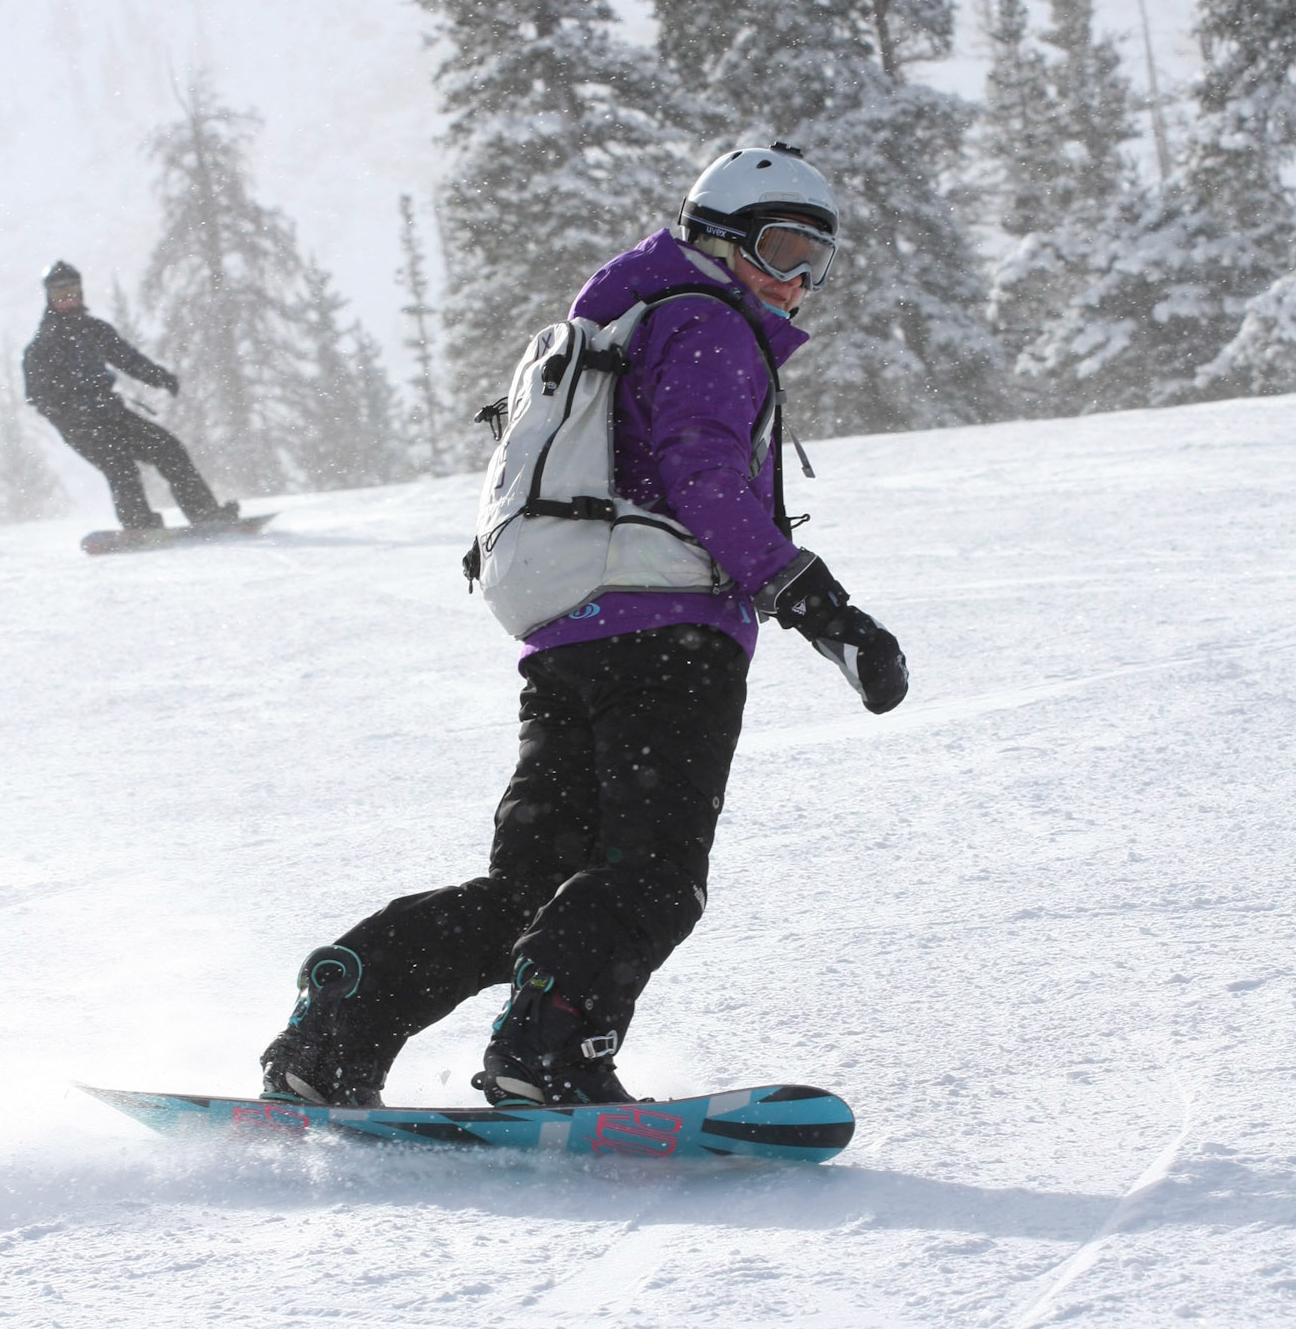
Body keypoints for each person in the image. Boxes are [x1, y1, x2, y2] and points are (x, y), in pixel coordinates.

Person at [260, 144, 908, 1111]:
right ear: (716, 237)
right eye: (779, 247)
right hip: (669, 642)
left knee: (533, 888)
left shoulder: (622, 322)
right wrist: (816, 603)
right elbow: (702, 473)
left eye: (817, 260)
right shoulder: (707, 323)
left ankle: (342, 1026)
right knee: (652, 876)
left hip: (565, 640)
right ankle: (549, 1054)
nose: (796, 280)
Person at [22, 261, 237, 531]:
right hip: (79, 425)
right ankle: (139, 525)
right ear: (49, 298)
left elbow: (127, 359)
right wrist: (70, 412)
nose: (68, 299)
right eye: (59, 293)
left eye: (73, 291)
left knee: (167, 448)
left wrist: (159, 376)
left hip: (111, 413)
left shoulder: (94, 330)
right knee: (120, 466)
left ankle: (206, 515)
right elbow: (37, 395)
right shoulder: (43, 344)